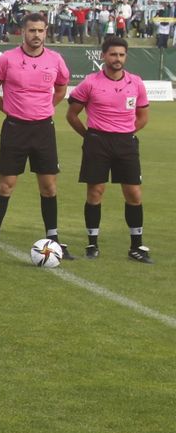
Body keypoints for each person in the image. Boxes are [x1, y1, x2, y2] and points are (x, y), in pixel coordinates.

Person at [0, 12, 70, 258]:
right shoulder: (8, 59)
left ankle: (54, 241)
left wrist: (48, 107)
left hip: (43, 129)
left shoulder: (55, 59)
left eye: (40, 30)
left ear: (46, 31)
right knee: (6, 186)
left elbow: (61, 88)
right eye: (32, 30)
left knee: (49, 187)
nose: (37, 35)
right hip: (15, 129)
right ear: (23, 32)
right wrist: (9, 109)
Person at [66, 36, 153, 263]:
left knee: (133, 193)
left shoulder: (136, 82)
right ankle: (92, 243)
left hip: (126, 142)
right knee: (95, 192)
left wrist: (126, 132)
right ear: (104, 56)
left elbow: (143, 117)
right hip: (97, 141)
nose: (117, 59)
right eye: (113, 54)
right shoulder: (90, 82)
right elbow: (72, 114)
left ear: (126, 57)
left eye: (121, 55)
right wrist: (89, 136)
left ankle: (136, 246)